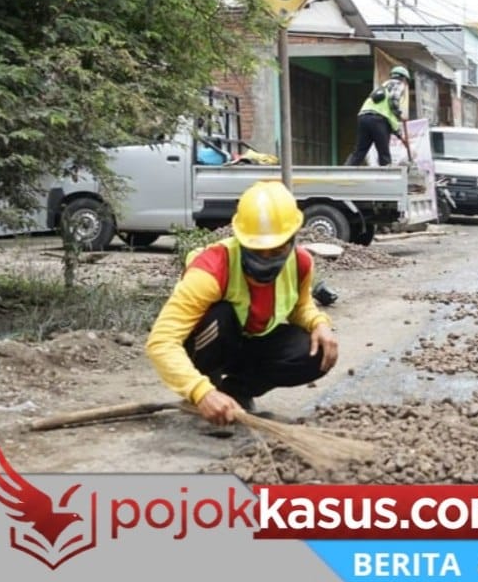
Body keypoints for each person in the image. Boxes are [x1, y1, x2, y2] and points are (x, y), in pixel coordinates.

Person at [145, 181, 339, 425]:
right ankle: (211, 386)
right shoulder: (211, 269)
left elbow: (300, 306)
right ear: (241, 240)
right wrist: (200, 391)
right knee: (222, 316)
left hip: (250, 342)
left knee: (316, 351)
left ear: (292, 239)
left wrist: (319, 323)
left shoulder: (300, 263)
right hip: (208, 346)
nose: (267, 259)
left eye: (277, 250)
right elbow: (161, 341)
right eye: (258, 251)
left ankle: (235, 392)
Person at [344, 66, 411, 167]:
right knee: (383, 152)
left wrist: (400, 136)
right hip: (378, 120)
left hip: (363, 117)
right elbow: (393, 102)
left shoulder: (383, 86)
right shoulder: (398, 84)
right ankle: (387, 179)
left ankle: (345, 172)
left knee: (360, 151)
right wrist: (399, 115)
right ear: (404, 79)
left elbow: (388, 116)